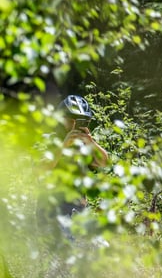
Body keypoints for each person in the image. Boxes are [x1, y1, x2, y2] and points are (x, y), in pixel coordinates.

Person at [38, 95, 109, 240]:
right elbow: (40, 169)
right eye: (71, 120)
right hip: (53, 212)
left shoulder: (85, 146)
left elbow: (104, 162)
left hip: (78, 213)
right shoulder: (50, 140)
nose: (74, 125)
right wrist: (64, 146)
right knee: (66, 250)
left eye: (80, 122)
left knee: (100, 250)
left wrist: (90, 142)